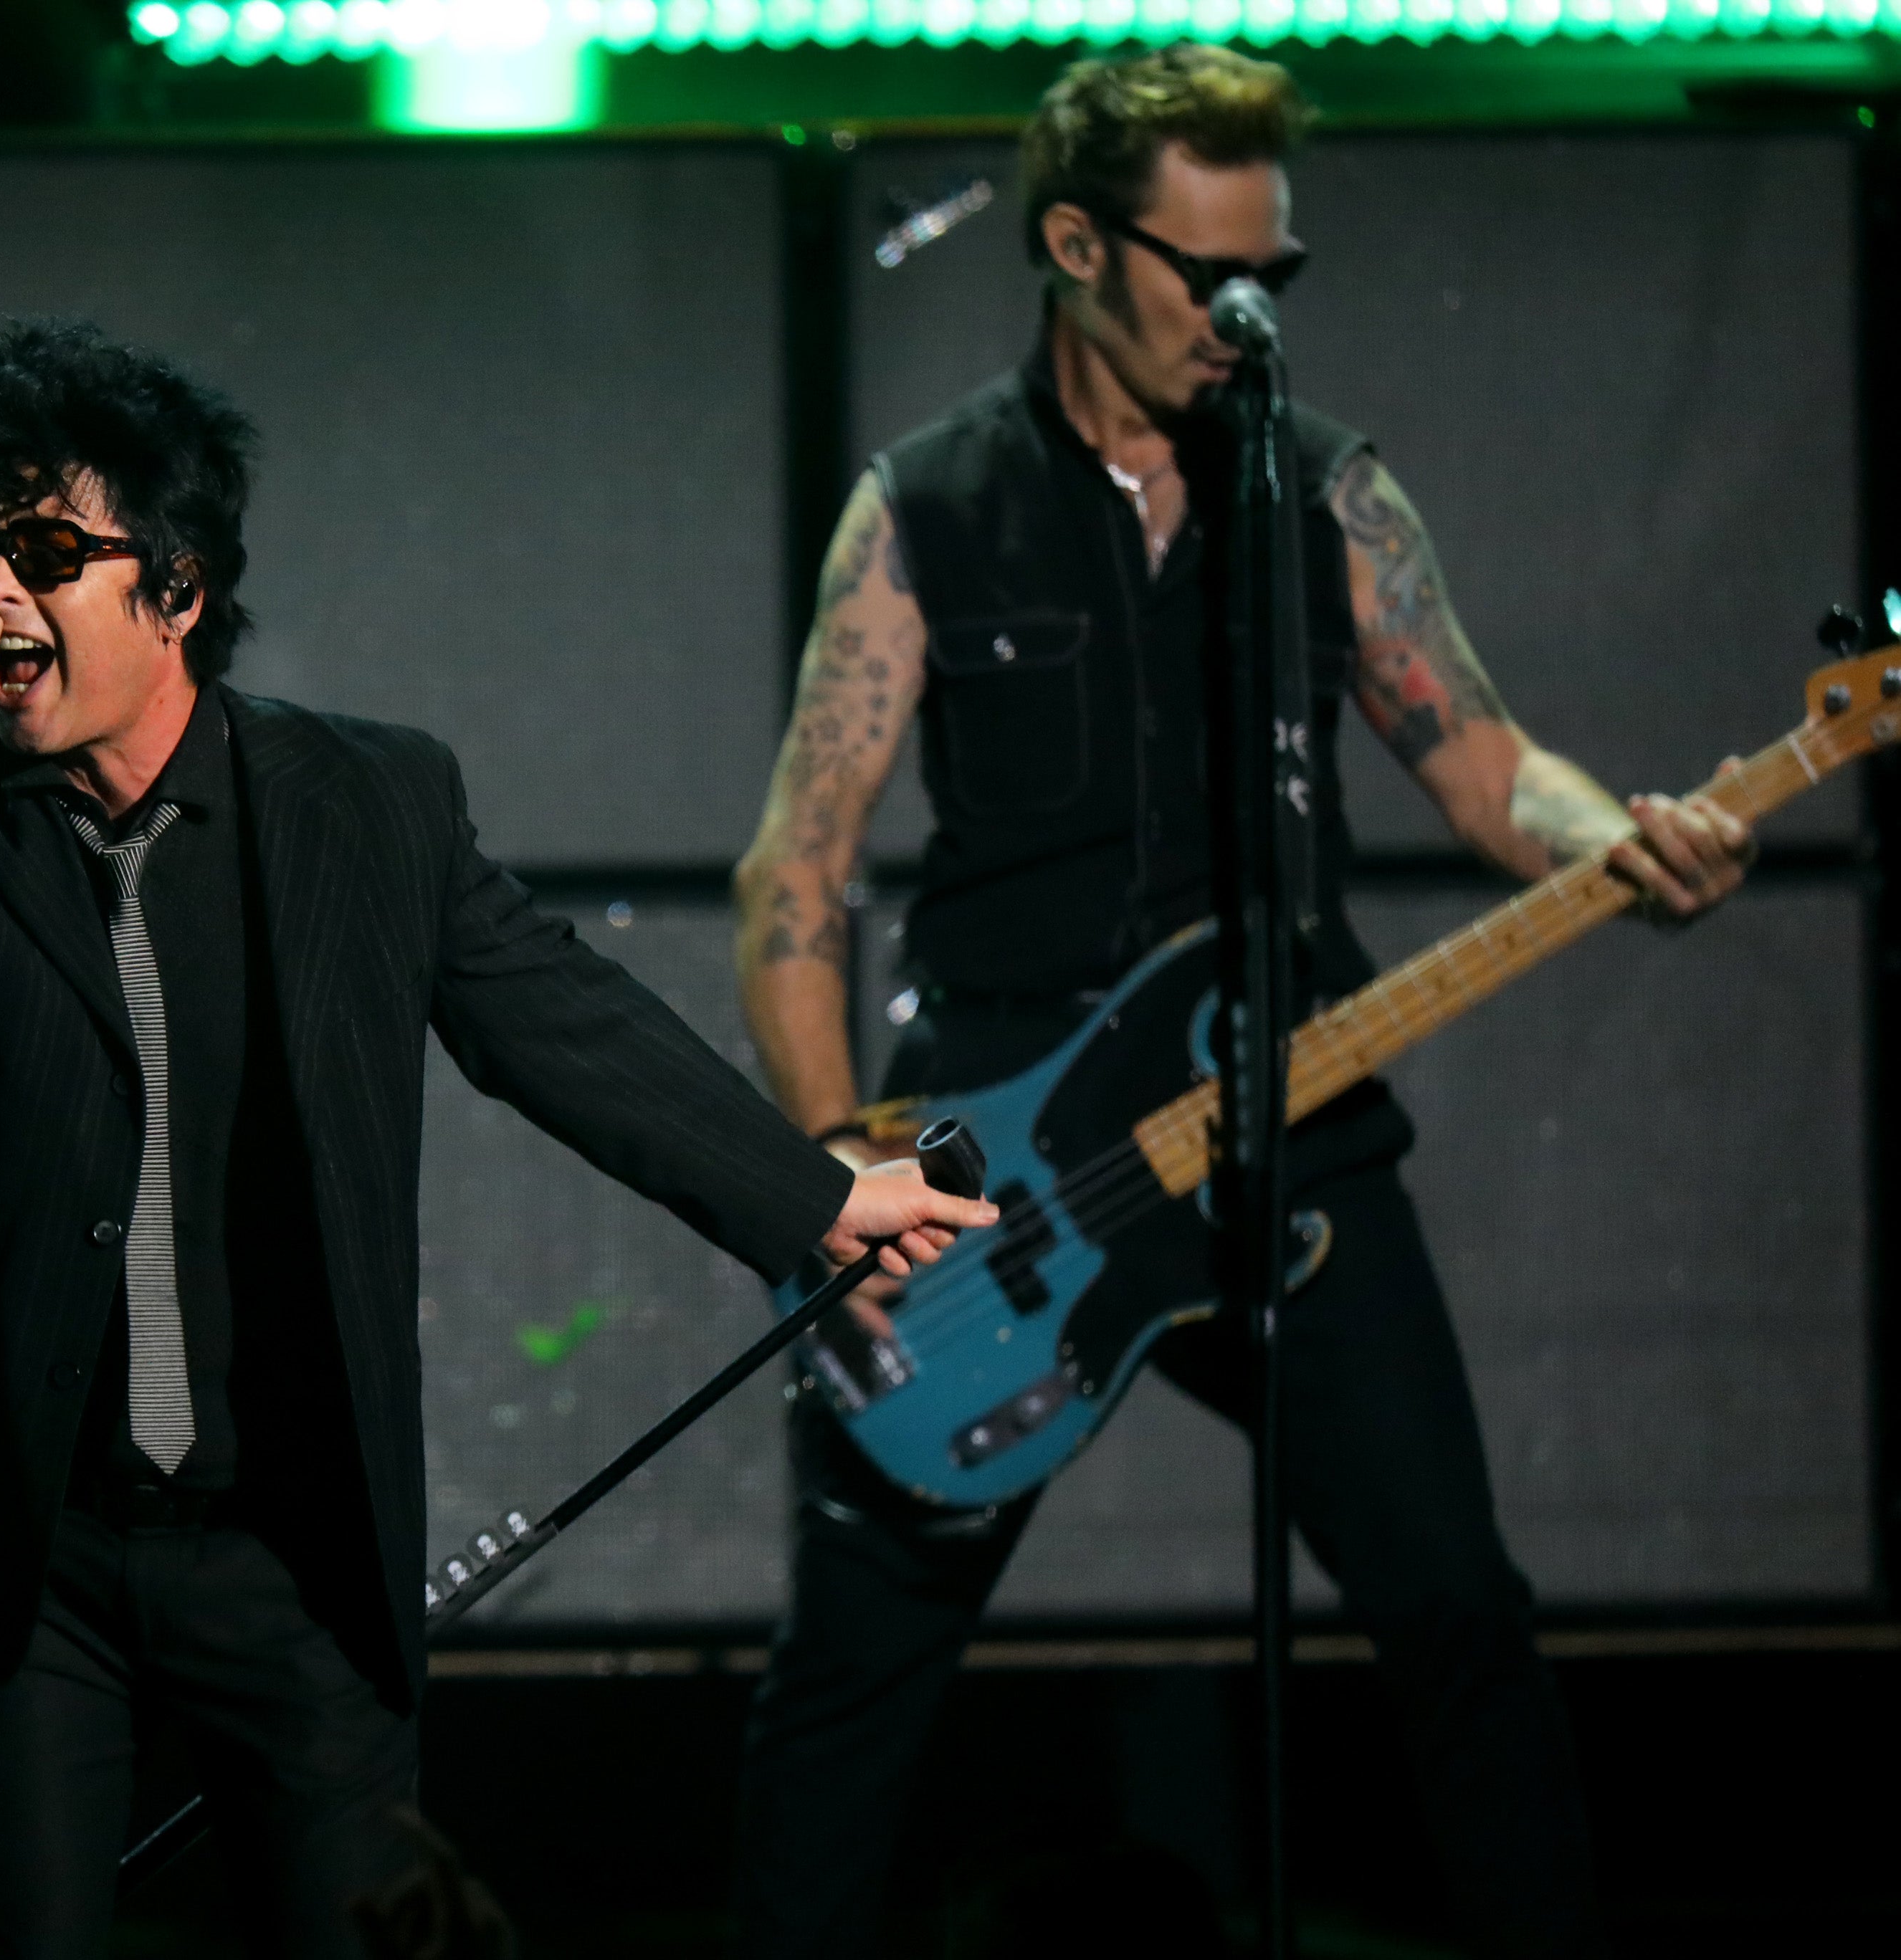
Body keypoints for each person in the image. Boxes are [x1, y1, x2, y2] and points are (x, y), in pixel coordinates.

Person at [0, 320, 998, 1960]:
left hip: (289, 1541)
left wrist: (811, 1199)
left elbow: (558, 1025)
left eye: (47, 554)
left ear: (176, 591)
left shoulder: (365, 803)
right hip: (22, 1548)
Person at [727, 45, 1753, 1960]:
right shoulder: (922, 508)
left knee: (1456, 1612)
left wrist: (1620, 831)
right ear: (1072, 247)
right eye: (1204, 273)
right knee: (855, 1670)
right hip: (994, 1164)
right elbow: (794, 867)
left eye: (1269, 270)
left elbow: (1480, 765)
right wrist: (831, 1167)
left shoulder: (1323, 488)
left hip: (1289, 1125)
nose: (1243, 311)